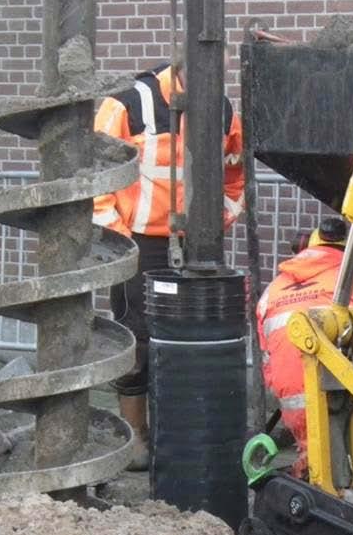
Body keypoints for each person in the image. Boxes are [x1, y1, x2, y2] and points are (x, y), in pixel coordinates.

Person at [93, 51, 245, 466]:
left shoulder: (222, 109)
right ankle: (136, 435)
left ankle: (178, 430)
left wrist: (220, 221)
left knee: (189, 336)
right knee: (136, 337)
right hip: (138, 243)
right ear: (179, 73)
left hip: (197, 244)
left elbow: (234, 172)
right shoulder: (127, 105)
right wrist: (117, 239)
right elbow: (96, 178)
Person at [256, 217, 353, 480]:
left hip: (296, 411)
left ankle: (311, 467)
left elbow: (269, 366)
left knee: (321, 468)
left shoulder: (270, 293)